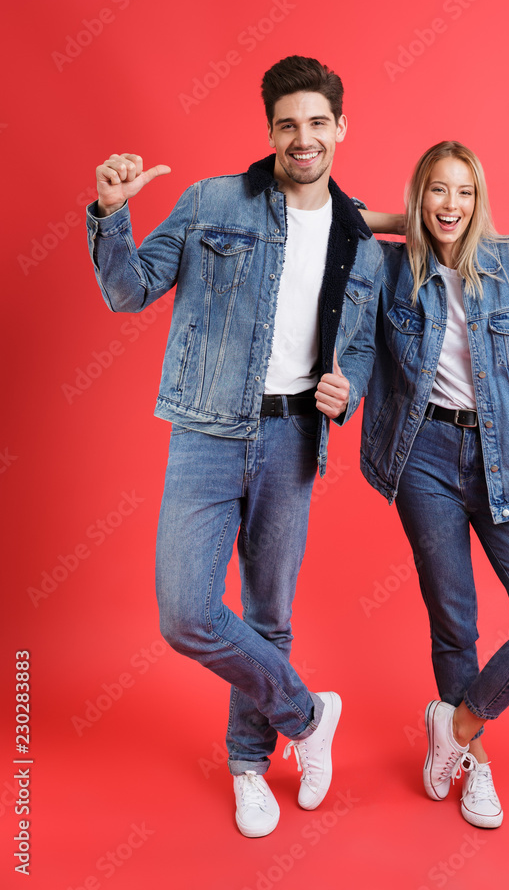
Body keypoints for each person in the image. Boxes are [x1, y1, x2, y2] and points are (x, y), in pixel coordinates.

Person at [86, 56, 386, 838]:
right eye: (288, 123)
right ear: (270, 133)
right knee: (186, 613)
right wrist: (109, 213)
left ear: (340, 129)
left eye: (317, 122)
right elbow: (128, 291)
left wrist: (343, 388)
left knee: (267, 614)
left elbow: (356, 351)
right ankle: (306, 714)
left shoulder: (362, 239)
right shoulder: (212, 200)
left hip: (294, 439)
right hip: (207, 429)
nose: (303, 137)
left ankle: (249, 767)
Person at [360, 140, 509, 828]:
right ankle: (476, 770)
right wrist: (396, 221)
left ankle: (456, 727)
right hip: (422, 456)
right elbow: (337, 216)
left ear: (479, 199)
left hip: (506, 457)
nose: (450, 205)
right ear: (418, 198)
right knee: (452, 620)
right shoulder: (387, 268)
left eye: (463, 192)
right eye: (436, 190)